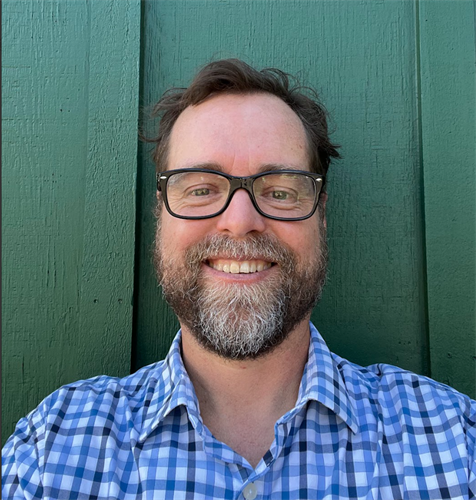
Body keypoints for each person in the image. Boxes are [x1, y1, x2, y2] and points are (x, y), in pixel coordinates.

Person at [2, 58, 475, 499]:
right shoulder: (52, 451)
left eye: (281, 191)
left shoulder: (453, 442)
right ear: (161, 216)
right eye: (203, 188)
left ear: (321, 217)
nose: (240, 220)